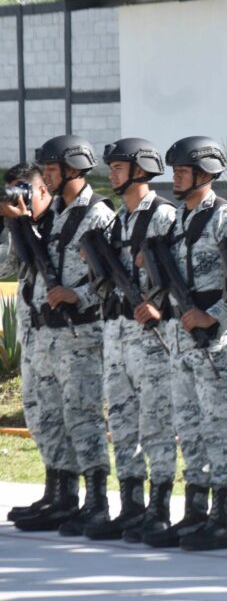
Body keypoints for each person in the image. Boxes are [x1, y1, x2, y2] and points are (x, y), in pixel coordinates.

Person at [139, 136, 227, 551]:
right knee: (189, 428)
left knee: (218, 428)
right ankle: (195, 513)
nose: (175, 178)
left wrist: (213, 316)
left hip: (213, 341)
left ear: (205, 173)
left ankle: (221, 518)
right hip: (179, 341)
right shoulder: (176, 222)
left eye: (182, 171)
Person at [6, 136, 115, 535]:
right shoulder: (48, 214)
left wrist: (77, 294)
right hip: (43, 336)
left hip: (80, 335)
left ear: (73, 169)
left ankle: (97, 500)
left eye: (51, 171)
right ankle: (60, 494)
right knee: (43, 414)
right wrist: (15, 222)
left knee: (81, 417)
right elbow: (16, 264)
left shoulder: (98, 215)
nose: (45, 178)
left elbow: (112, 281)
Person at [84, 139, 178, 543]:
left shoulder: (164, 216)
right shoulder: (116, 221)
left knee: (155, 423)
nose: (112, 173)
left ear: (142, 169)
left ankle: (159, 507)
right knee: (122, 423)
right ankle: (132, 504)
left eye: (120, 167)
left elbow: (185, 274)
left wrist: (161, 304)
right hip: (117, 334)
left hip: (152, 336)